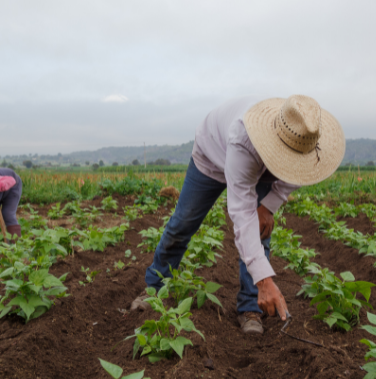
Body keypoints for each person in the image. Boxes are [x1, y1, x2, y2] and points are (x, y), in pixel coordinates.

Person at [131, 95, 345, 334]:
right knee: (182, 223)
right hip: (213, 156)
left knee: (261, 231)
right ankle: (153, 287)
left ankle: (250, 306)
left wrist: (268, 207)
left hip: (263, 167)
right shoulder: (244, 138)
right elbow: (242, 216)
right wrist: (265, 280)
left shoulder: (307, 139)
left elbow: (299, 176)